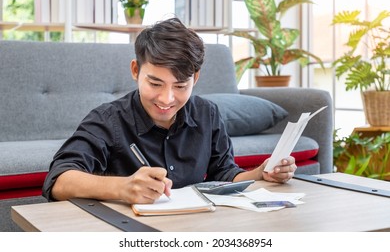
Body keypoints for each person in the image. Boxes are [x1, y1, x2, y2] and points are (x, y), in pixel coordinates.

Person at [42, 17, 297, 204]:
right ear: (135, 71)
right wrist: (123, 188)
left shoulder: (207, 114)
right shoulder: (108, 120)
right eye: (155, 83)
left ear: (195, 78)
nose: (167, 98)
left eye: (180, 86)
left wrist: (260, 174)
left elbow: (224, 174)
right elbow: (59, 180)